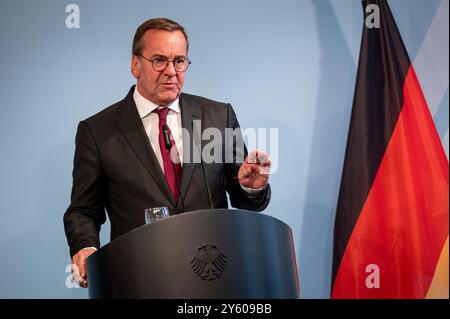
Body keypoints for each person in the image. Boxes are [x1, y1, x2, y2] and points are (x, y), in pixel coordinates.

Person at [63, 18, 271, 288]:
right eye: (159, 60)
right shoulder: (98, 131)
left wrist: (251, 188)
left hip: (213, 279)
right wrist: (86, 247)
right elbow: (82, 210)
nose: (171, 71)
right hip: (139, 279)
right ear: (135, 65)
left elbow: (245, 201)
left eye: (180, 61)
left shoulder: (218, 117)